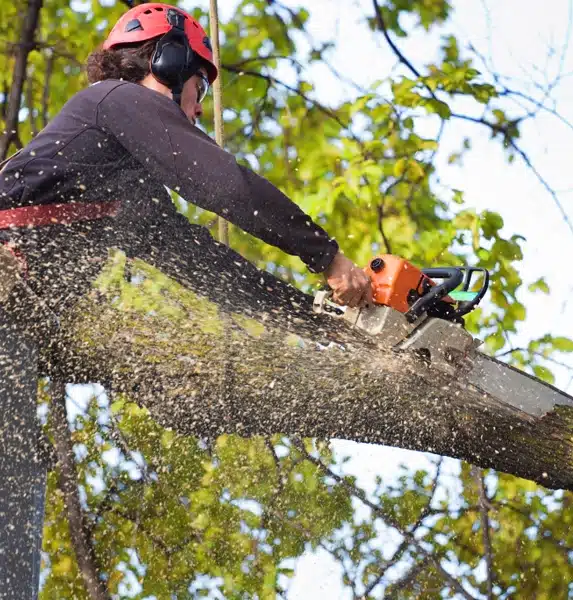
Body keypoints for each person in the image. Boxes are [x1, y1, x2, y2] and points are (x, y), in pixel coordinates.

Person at [0, 3, 372, 330]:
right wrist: (328, 256)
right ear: (169, 64)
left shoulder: (131, 191)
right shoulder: (116, 98)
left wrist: (321, 324)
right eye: (201, 88)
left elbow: (208, 268)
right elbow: (228, 186)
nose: (198, 109)